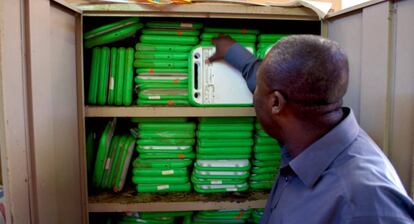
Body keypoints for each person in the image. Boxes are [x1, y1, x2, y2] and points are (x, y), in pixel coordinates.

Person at [208, 35, 414, 224]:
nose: (255, 94)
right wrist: (231, 50)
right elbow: (266, 79)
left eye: (259, 89)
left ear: (276, 103)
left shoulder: (364, 201)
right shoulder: (308, 126)